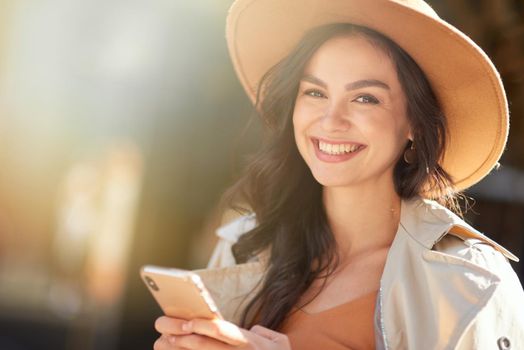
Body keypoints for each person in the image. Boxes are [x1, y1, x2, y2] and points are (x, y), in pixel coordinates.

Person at [153, 0, 524, 349]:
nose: (331, 121)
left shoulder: (469, 283)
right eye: (315, 92)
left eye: (365, 98)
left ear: (417, 124)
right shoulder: (243, 246)